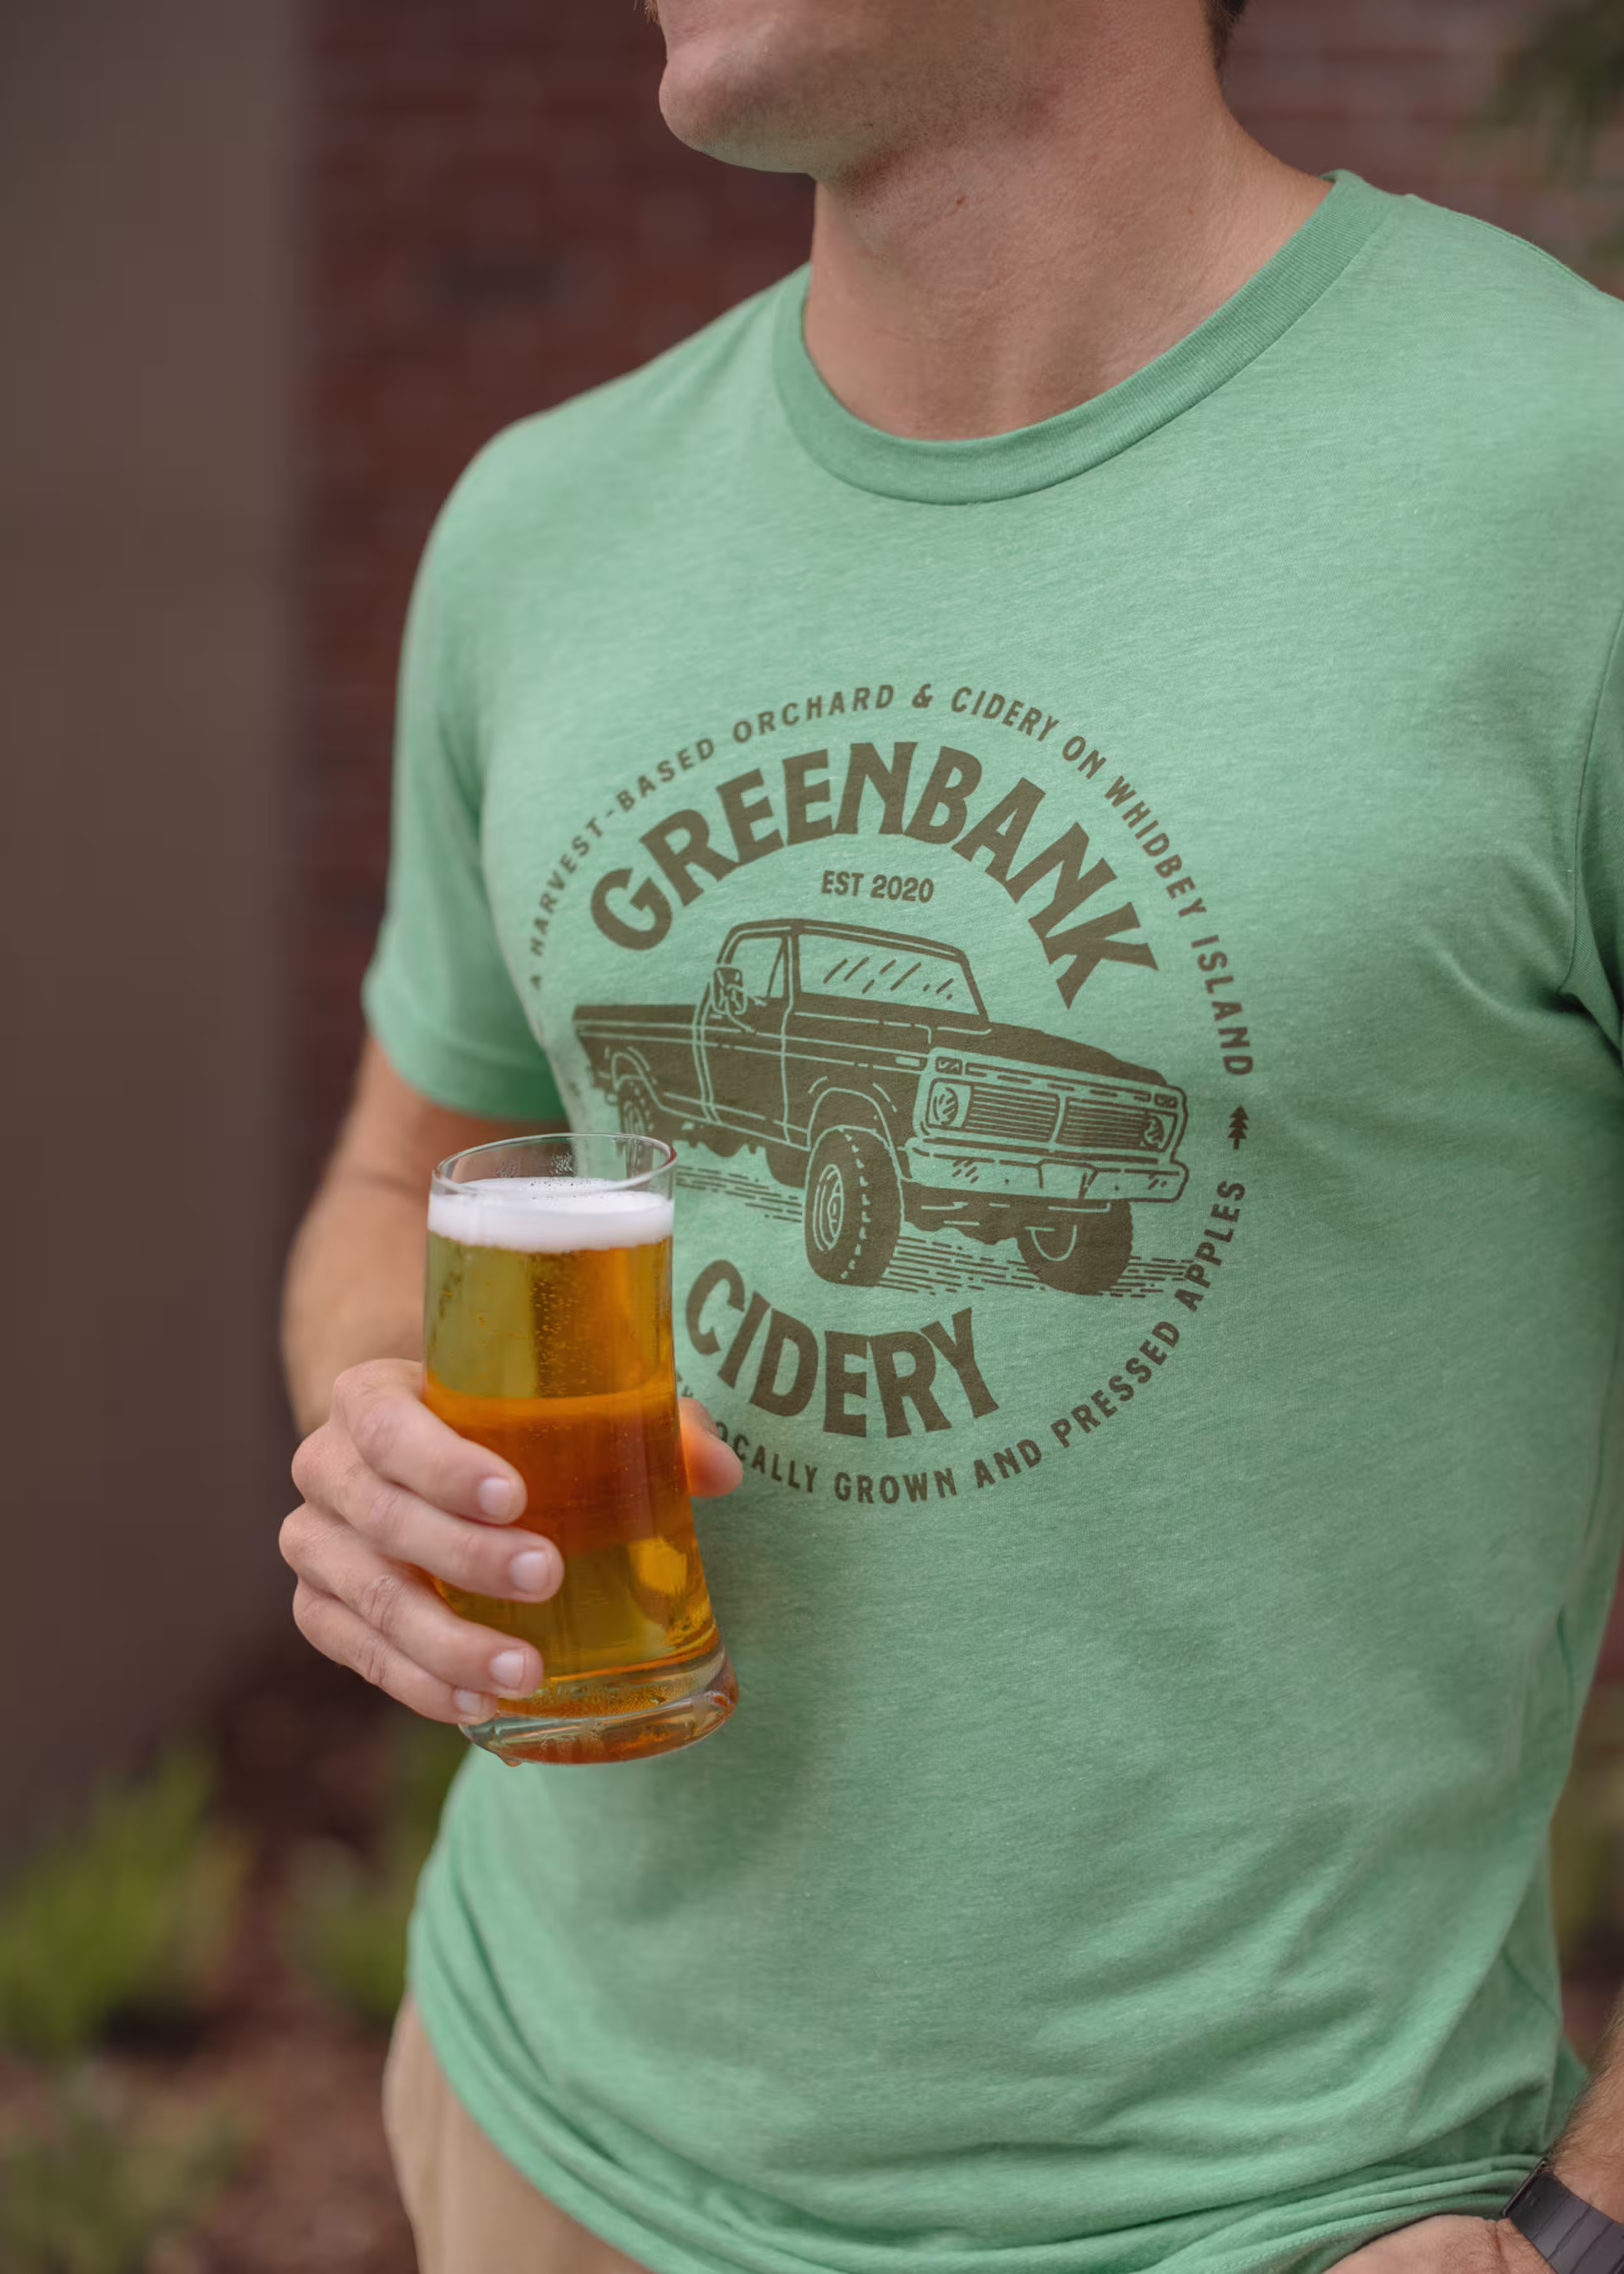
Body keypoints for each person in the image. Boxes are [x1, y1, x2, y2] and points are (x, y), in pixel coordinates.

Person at [279, 0, 1624, 2268]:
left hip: (1278, 2213)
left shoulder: (1567, 484)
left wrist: (1592, 2223)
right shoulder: (539, 521)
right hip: (536, 2131)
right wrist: (375, 1433)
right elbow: (410, 1171)